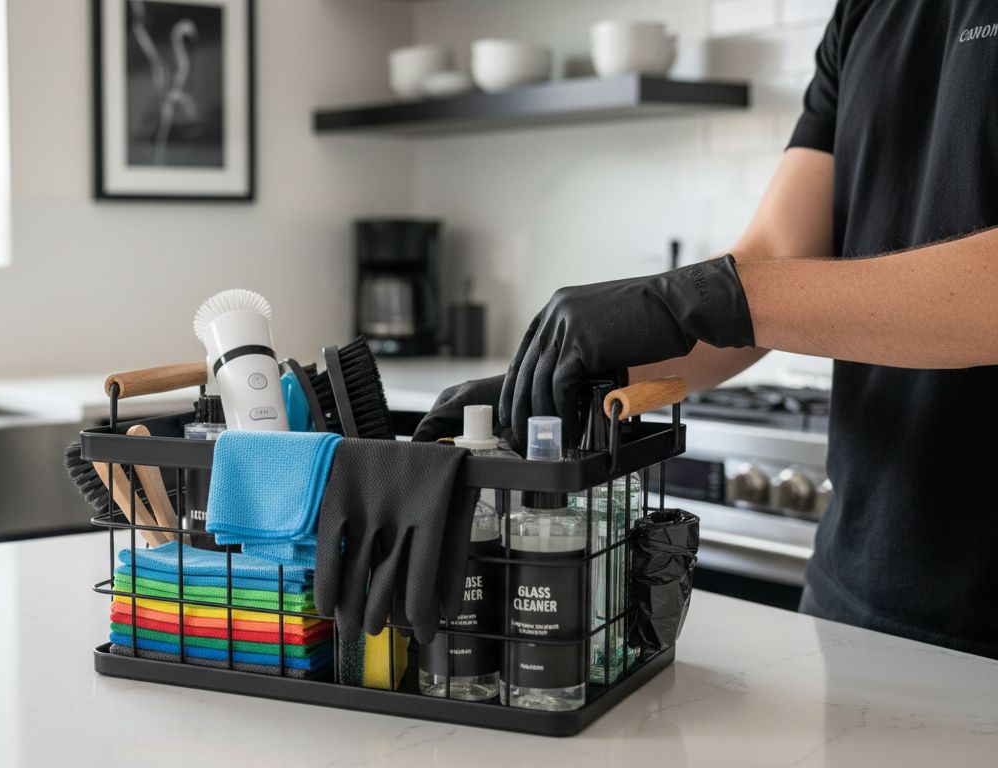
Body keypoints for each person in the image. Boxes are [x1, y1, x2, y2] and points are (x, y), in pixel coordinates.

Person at [413, 2, 998, 659]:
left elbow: (741, 294)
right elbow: (778, 261)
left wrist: (693, 296)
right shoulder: (866, 12)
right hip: (854, 593)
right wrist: (579, 376)